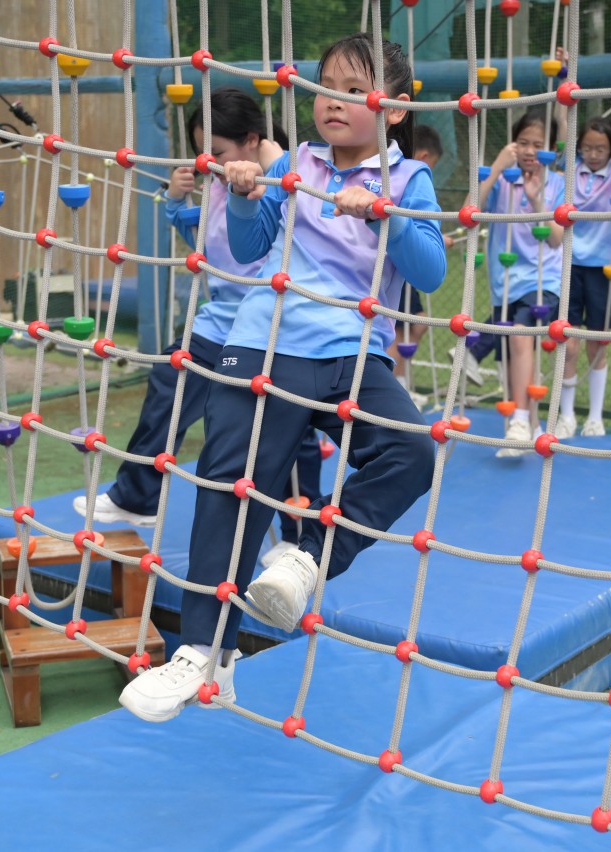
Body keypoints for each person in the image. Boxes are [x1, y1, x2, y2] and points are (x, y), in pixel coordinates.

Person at [119, 33, 446, 723]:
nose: (334, 101)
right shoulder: (298, 164)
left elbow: (430, 273)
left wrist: (384, 215)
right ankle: (203, 653)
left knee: (412, 450)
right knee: (232, 482)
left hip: (352, 349)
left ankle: (310, 556)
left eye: (355, 91)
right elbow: (247, 248)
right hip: (265, 341)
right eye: (327, 87)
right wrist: (243, 195)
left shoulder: (407, 178)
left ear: (393, 110)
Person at [73, 88, 318, 549]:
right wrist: (174, 201)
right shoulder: (221, 186)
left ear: (251, 140)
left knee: (287, 425)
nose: (209, 164)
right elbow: (211, 245)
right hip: (222, 321)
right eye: (201, 154)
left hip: (274, 325)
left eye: (217, 153)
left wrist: (275, 168)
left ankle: (298, 534)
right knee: (172, 379)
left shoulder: (289, 180)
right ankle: (138, 496)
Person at [461, 109, 565, 457]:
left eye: (538, 144)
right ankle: (530, 427)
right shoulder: (503, 180)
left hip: (543, 279)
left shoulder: (558, 183)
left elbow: (556, 239)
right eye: (523, 142)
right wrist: (495, 168)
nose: (530, 151)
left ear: (552, 149)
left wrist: (536, 200)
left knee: (521, 336)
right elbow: (468, 213)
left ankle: (520, 420)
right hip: (505, 283)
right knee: (512, 360)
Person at [553, 47, 611, 438]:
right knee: (568, 343)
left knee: (598, 344)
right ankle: (567, 415)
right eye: (587, 148)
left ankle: (595, 416)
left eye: (600, 149)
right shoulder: (570, 168)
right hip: (568, 264)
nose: (593, 155)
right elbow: (563, 121)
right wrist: (565, 76)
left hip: (603, 268)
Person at [386, 124, 448, 395]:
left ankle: (399, 381)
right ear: (423, 156)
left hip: (408, 263)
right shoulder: (408, 178)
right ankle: (395, 382)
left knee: (414, 323)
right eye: (432, 163)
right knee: (400, 325)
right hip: (396, 266)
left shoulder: (409, 180)